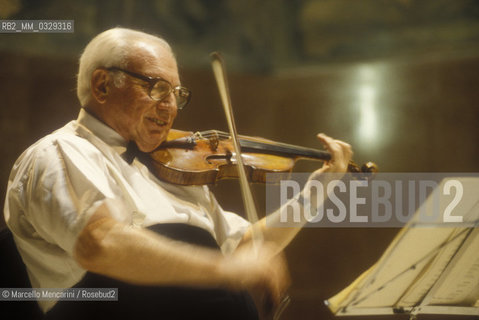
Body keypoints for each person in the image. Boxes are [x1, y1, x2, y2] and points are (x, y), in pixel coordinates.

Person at [4, 28, 352, 320]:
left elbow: (245, 246)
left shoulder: (171, 169)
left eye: (176, 93)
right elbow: (101, 243)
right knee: (187, 238)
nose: (169, 106)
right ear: (102, 85)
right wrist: (224, 271)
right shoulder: (62, 151)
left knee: (197, 240)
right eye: (156, 87)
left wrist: (316, 192)